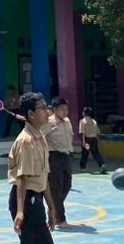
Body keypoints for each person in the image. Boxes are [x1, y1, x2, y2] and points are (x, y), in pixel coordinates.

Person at [7, 91, 56, 243]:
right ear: (31, 114)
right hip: (26, 200)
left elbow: (43, 177)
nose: (47, 111)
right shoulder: (26, 141)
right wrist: (20, 211)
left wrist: (51, 208)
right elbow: (22, 177)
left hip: (36, 198)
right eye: (43, 108)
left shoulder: (40, 138)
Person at [43, 97, 75, 229]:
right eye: (62, 109)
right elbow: (40, 137)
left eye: (66, 109)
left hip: (66, 156)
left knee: (67, 185)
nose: (65, 111)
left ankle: (54, 208)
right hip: (54, 157)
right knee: (56, 188)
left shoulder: (67, 121)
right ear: (54, 109)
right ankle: (61, 220)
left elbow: (70, 136)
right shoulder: (48, 122)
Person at [78, 106, 106, 174]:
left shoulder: (82, 121)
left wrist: (83, 142)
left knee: (85, 154)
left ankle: (82, 167)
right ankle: (102, 164)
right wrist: (97, 141)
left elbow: (82, 133)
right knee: (96, 153)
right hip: (94, 139)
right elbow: (98, 132)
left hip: (87, 139)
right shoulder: (94, 121)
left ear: (84, 113)